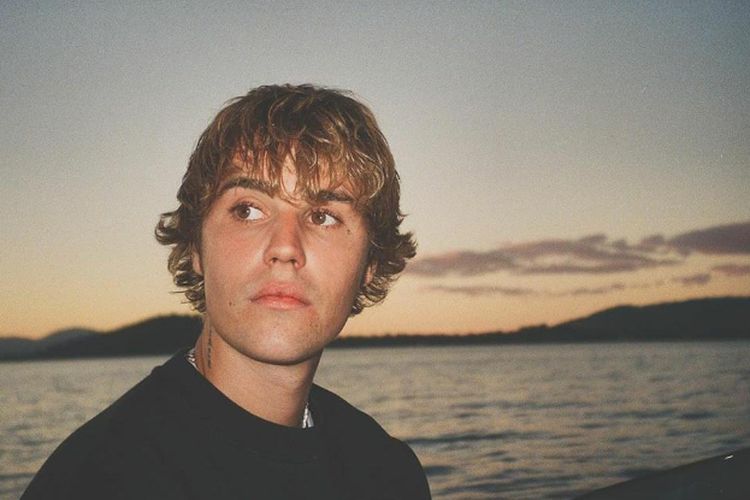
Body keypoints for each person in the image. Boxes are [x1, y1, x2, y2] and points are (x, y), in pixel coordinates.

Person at [22, 84, 429, 499]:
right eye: (248, 210)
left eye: (324, 216)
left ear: (369, 264)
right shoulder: (98, 480)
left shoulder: (388, 474)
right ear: (196, 247)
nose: (285, 247)